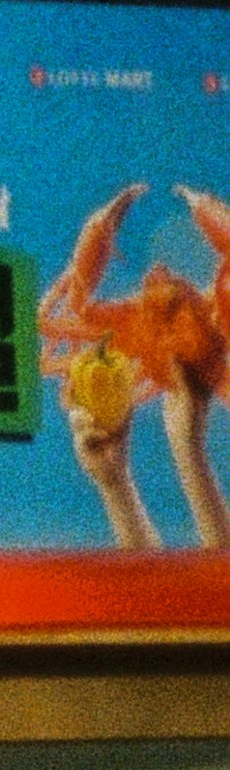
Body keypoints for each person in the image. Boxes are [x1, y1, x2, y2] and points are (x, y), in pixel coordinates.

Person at [38, 184, 226, 550]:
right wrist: (114, 482)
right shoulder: (135, 318)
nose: (158, 272)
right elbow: (54, 322)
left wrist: (187, 447)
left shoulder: (183, 312)